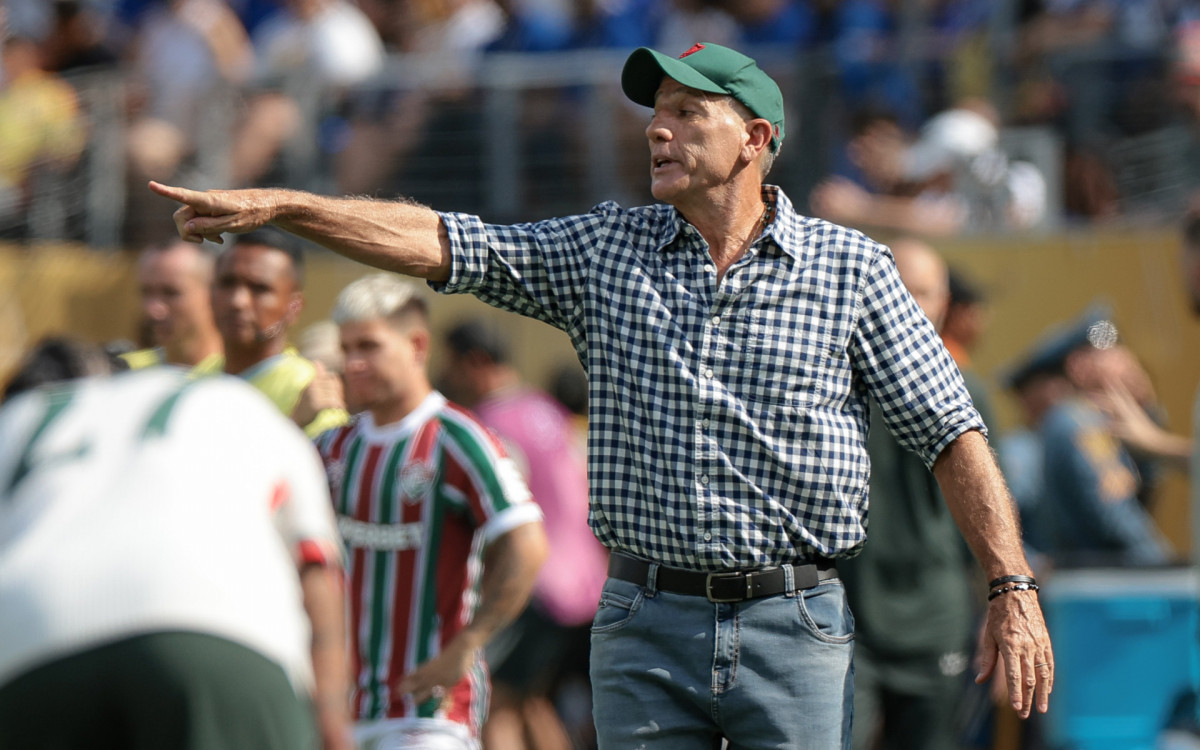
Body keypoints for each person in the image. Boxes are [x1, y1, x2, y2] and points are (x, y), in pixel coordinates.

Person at [150, 40, 1052, 747]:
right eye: (655, 114)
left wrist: (1009, 587)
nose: (657, 130)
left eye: (688, 114)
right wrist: (291, 207)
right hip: (643, 623)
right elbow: (443, 241)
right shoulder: (604, 250)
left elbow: (951, 431)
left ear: (757, 141)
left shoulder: (853, 269)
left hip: (797, 620)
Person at [0, 362, 351, 750]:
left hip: (29, 639)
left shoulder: (20, 417)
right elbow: (316, 566)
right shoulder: (238, 405)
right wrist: (333, 724)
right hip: (216, 627)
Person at [314, 273, 548, 750]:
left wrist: (466, 646)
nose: (353, 363)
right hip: (347, 709)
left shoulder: (457, 438)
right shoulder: (335, 447)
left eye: (369, 347)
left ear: (416, 345)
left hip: (433, 712)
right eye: (346, 348)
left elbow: (528, 544)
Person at [441, 319, 608, 750]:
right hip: (585, 582)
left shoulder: (490, 423)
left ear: (474, 363)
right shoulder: (546, 409)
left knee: (494, 702)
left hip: (537, 585)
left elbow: (497, 515)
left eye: (452, 366)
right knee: (531, 700)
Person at [839, 237, 976, 750]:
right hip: (849, 622)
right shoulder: (837, 388)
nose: (915, 306)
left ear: (945, 303)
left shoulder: (966, 392)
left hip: (934, 625)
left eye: (927, 292)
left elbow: (985, 517)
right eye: (903, 290)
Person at [1004, 306, 1174, 568]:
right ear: (1079, 367)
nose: (1126, 359)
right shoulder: (1076, 422)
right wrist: (1166, 567)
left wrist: (1147, 410)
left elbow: (1140, 497)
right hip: (1096, 585)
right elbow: (1114, 520)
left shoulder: (1100, 426)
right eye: (1111, 351)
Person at [207, 227, 348, 436]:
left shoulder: (310, 392)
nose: (238, 301)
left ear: (294, 306)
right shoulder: (197, 379)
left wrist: (297, 422)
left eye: (259, 288)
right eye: (227, 283)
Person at [122, 238, 224, 373]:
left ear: (212, 292)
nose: (153, 309)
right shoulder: (125, 371)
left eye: (171, 293)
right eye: (146, 293)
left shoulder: (238, 376)